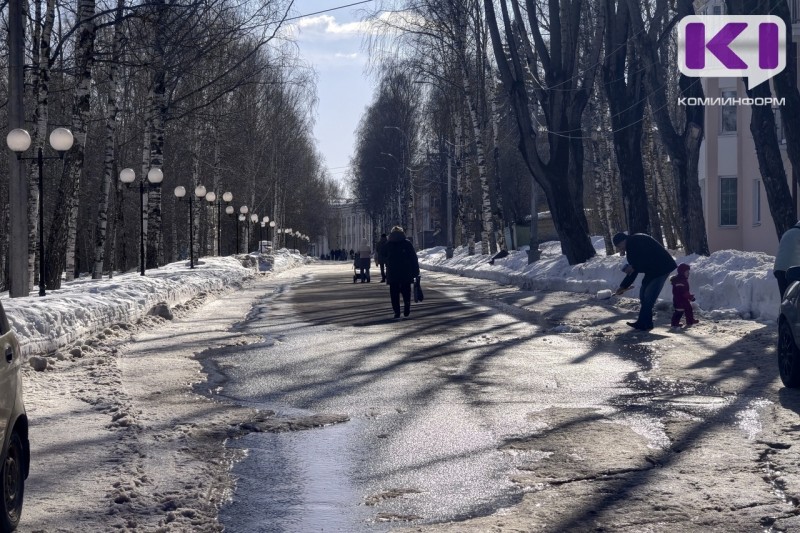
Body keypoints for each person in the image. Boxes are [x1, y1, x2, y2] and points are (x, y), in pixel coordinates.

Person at [612, 232, 677, 331]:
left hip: (662, 267)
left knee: (649, 296)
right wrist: (623, 286)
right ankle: (647, 323)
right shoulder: (631, 247)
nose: (619, 249)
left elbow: (638, 265)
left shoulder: (635, 242)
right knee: (643, 294)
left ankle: (643, 323)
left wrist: (632, 269)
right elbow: (634, 269)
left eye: (619, 246)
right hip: (652, 270)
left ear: (623, 240)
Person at [384, 225, 420, 319]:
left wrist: (388, 262)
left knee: (394, 293)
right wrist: (416, 271)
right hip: (406, 272)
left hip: (393, 272)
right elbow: (413, 258)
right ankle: (407, 306)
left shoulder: (388, 244)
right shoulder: (407, 243)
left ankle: (397, 312)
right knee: (406, 291)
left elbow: (383, 255)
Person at [774, 221, 800, 298]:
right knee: (795, 297)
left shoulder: (787, 233)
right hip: (793, 270)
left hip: (779, 268)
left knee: (785, 297)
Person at [670, 263, 698, 328]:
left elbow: (685, 291)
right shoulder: (680, 281)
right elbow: (682, 292)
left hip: (682, 299)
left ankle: (689, 321)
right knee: (680, 311)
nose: (688, 273)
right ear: (682, 272)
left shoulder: (682, 279)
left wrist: (689, 296)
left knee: (687, 309)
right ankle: (675, 323)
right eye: (687, 271)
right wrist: (690, 297)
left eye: (688, 271)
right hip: (679, 300)